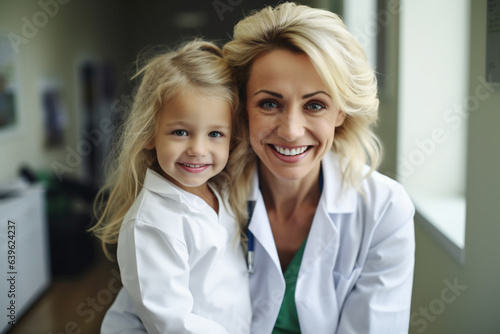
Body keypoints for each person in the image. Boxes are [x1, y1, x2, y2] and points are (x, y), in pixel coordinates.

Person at [101, 2, 415, 333]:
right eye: (269, 103)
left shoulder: (384, 211)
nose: (291, 130)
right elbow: (144, 314)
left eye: (316, 105)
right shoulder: (201, 190)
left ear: (340, 113)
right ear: (241, 108)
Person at [91, 39, 251, 334]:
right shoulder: (151, 224)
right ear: (150, 134)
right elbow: (173, 324)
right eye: (180, 132)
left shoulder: (220, 191)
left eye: (215, 133)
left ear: (232, 138)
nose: (198, 149)